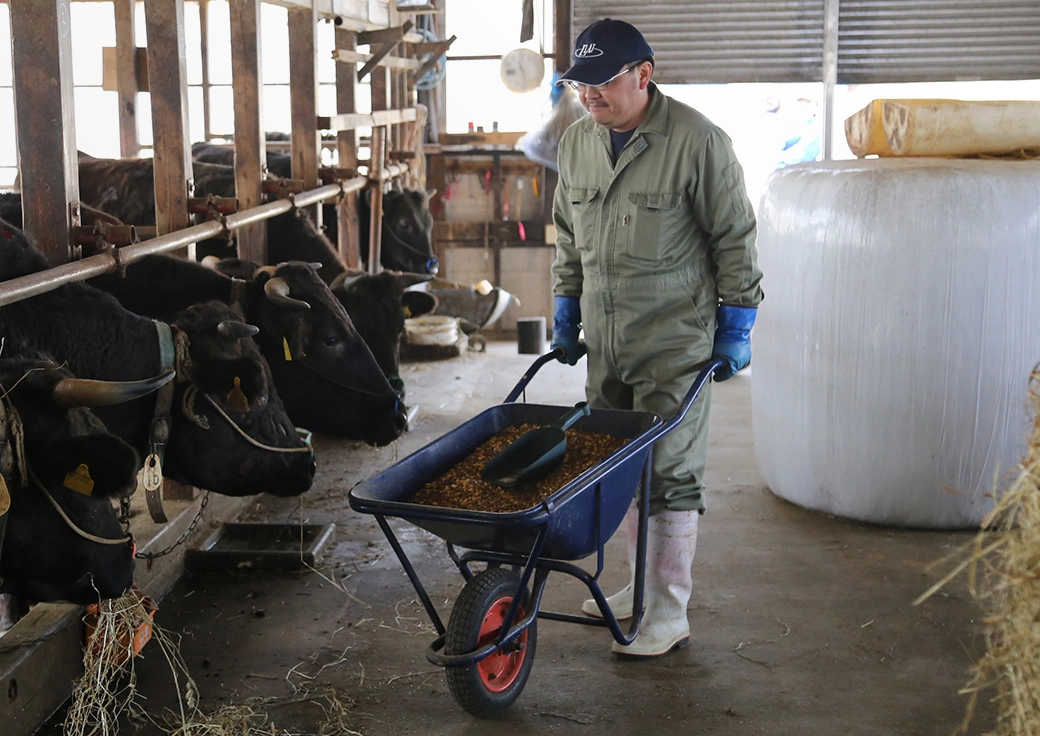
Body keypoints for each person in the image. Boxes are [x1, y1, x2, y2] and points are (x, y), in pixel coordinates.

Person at [550, 18, 764, 658]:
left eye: (602, 83)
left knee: (669, 472)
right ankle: (636, 586)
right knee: (616, 466)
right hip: (608, 337)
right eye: (579, 85)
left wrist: (737, 323)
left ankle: (668, 609)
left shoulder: (699, 141)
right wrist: (566, 307)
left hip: (675, 337)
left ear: (644, 75)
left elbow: (734, 236)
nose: (589, 96)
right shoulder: (577, 143)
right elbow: (567, 233)